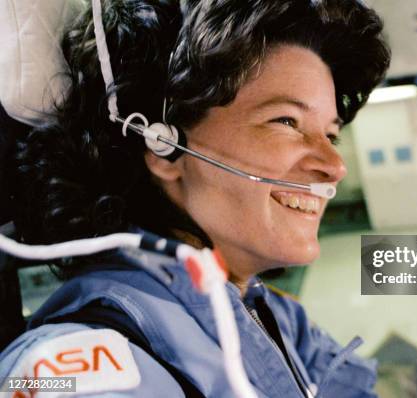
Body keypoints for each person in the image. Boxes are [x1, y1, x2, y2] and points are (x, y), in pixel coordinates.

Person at [0, 0, 390, 397]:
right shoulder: (82, 370)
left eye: (331, 135)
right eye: (287, 121)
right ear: (162, 147)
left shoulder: (273, 316)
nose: (335, 165)